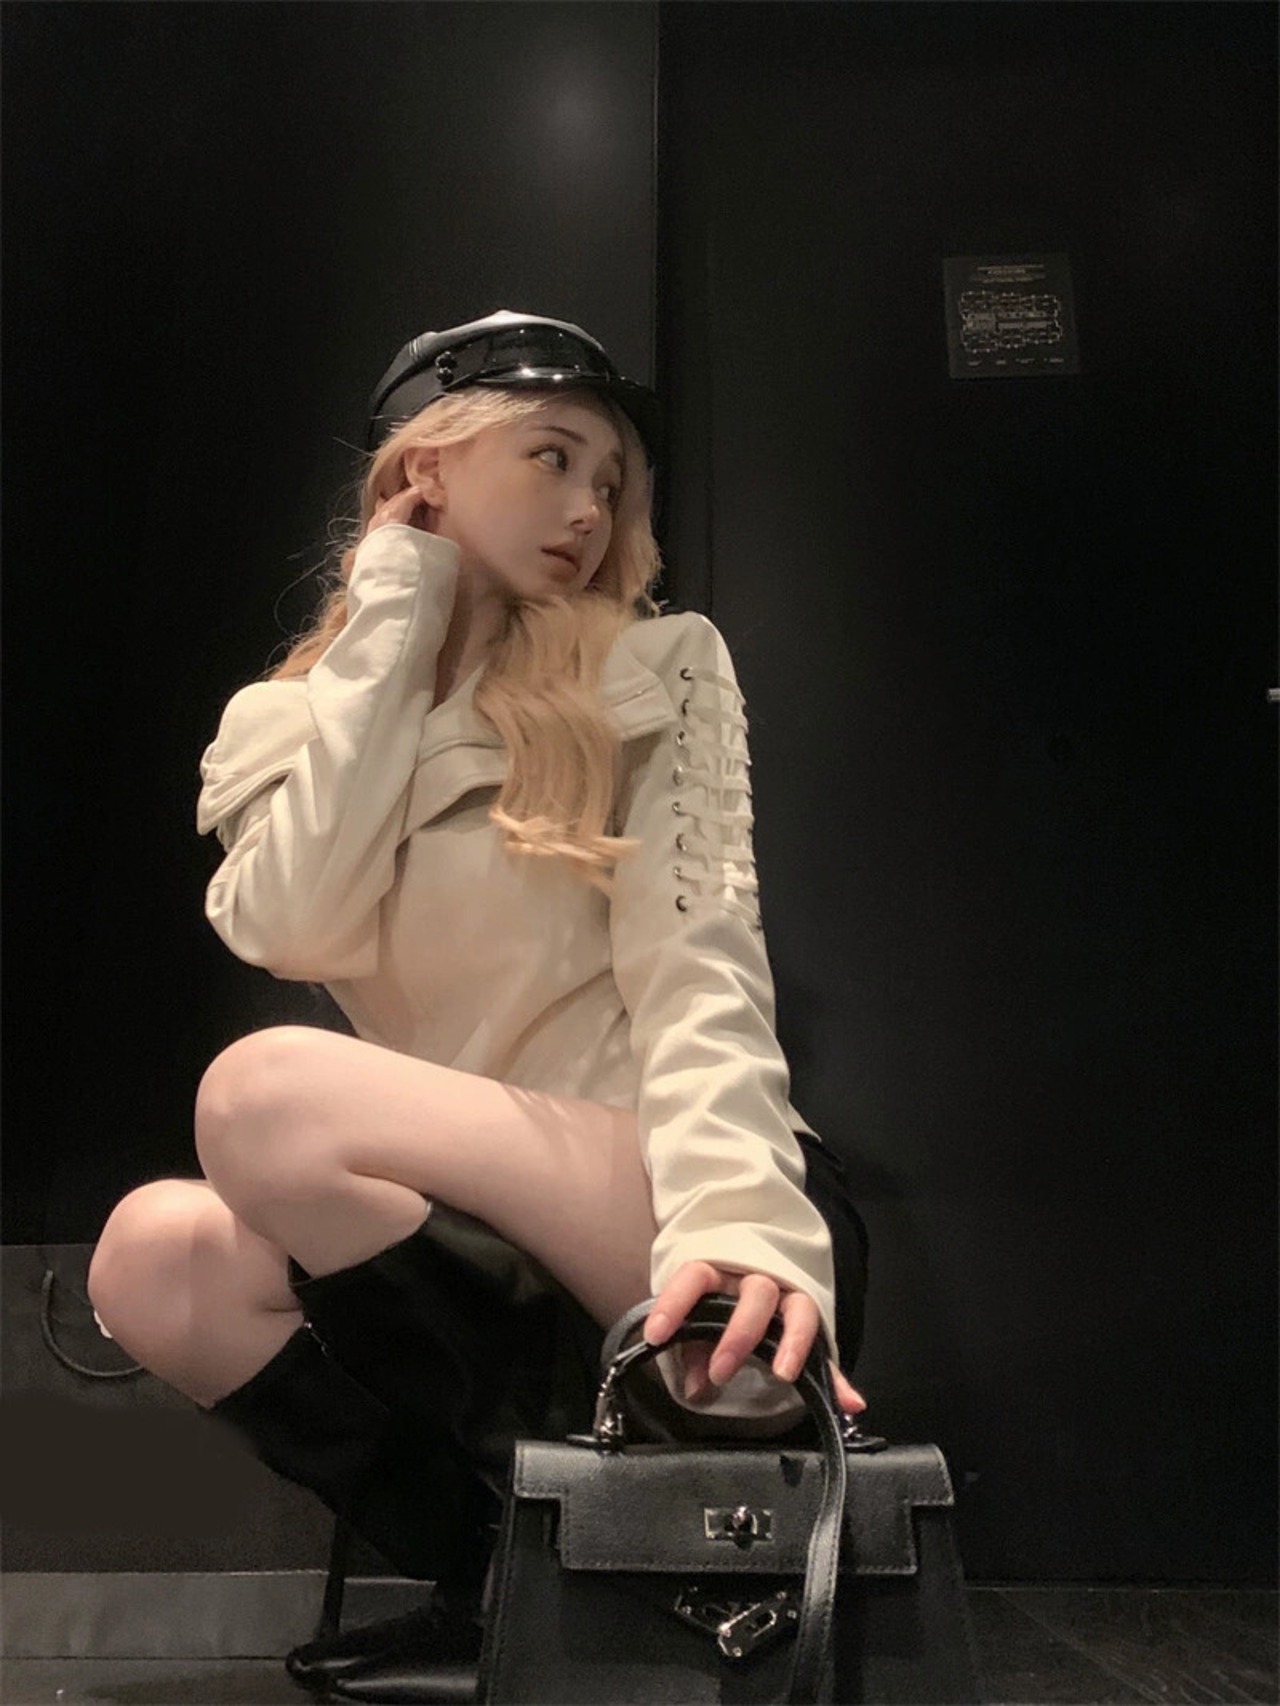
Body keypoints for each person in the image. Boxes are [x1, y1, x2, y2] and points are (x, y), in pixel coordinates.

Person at [86, 310, 871, 1704]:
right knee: (152, 1256)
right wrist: (398, 608)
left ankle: (604, 1560)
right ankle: (508, 1578)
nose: (588, 510)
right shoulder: (287, 721)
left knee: (265, 1094)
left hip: (664, 1204)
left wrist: (743, 1216)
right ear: (425, 471)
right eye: (551, 458)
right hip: (441, 1243)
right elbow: (295, 921)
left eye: (610, 482)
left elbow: (702, 960)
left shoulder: (657, 665)